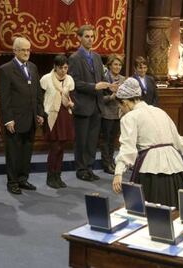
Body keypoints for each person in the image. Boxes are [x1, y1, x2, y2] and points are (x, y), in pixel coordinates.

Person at [112, 78, 183, 207]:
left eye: (120, 107)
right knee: (174, 210)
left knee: (149, 212)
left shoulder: (130, 117)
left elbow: (127, 148)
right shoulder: (160, 111)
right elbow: (178, 139)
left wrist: (118, 173)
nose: (121, 110)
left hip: (150, 169)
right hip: (173, 168)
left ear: (125, 103)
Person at [68, 24, 117, 181]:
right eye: (87, 36)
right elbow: (74, 82)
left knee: (92, 141)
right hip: (82, 106)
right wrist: (94, 86)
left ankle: (89, 168)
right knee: (81, 141)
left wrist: (109, 86)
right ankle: (81, 169)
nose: (90, 39)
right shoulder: (74, 58)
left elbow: (101, 80)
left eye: (92, 36)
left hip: (97, 106)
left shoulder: (96, 57)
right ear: (80, 38)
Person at [0, 37, 45, 195]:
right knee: (13, 153)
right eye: (23, 50)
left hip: (31, 118)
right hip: (15, 120)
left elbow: (37, 93)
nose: (26, 52)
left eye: (28, 49)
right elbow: (4, 98)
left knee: (26, 151)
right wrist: (8, 119)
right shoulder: (5, 69)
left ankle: (23, 179)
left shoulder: (32, 67)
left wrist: (39, 113)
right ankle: (12, 182)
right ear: (15, 51)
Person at [40, 54, 75, 189]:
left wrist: (71, 103)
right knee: (55, 147)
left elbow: (72, 97)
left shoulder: (69, 80)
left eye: (65, 68)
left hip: (65, 115)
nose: (63, 71)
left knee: (61, 147)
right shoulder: (46, 79)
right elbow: (41, 98)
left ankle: (58, 176)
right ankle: (51, 176)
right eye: (60, 68)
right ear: (55, 67)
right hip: (52, 116)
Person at [101, 54, 125, 174]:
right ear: (109, 65)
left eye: (120, 65)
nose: (118, 67)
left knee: (113, 139)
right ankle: (106, 164)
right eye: (115, 64)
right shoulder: (104, 78)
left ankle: (111, 161)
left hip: (118, 113)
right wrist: (111, 96)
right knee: (106, 140)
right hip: (106, 113)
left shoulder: (123, 79)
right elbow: (100, 99)